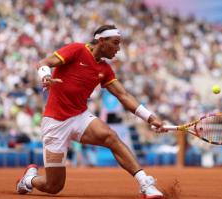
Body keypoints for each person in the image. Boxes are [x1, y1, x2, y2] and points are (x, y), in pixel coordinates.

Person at [16, 25, 165, 199]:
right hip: (55, 122)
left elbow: (123, 95)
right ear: (101, 41)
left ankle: (145, 183)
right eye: (115, 43)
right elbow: (44, 63)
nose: (118, 49)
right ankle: (29, 180)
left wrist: (150, 118)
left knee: (111, 137)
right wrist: (46, 76)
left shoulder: (105, 69)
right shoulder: (77, 49)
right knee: (53, 186)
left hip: (79, 117)